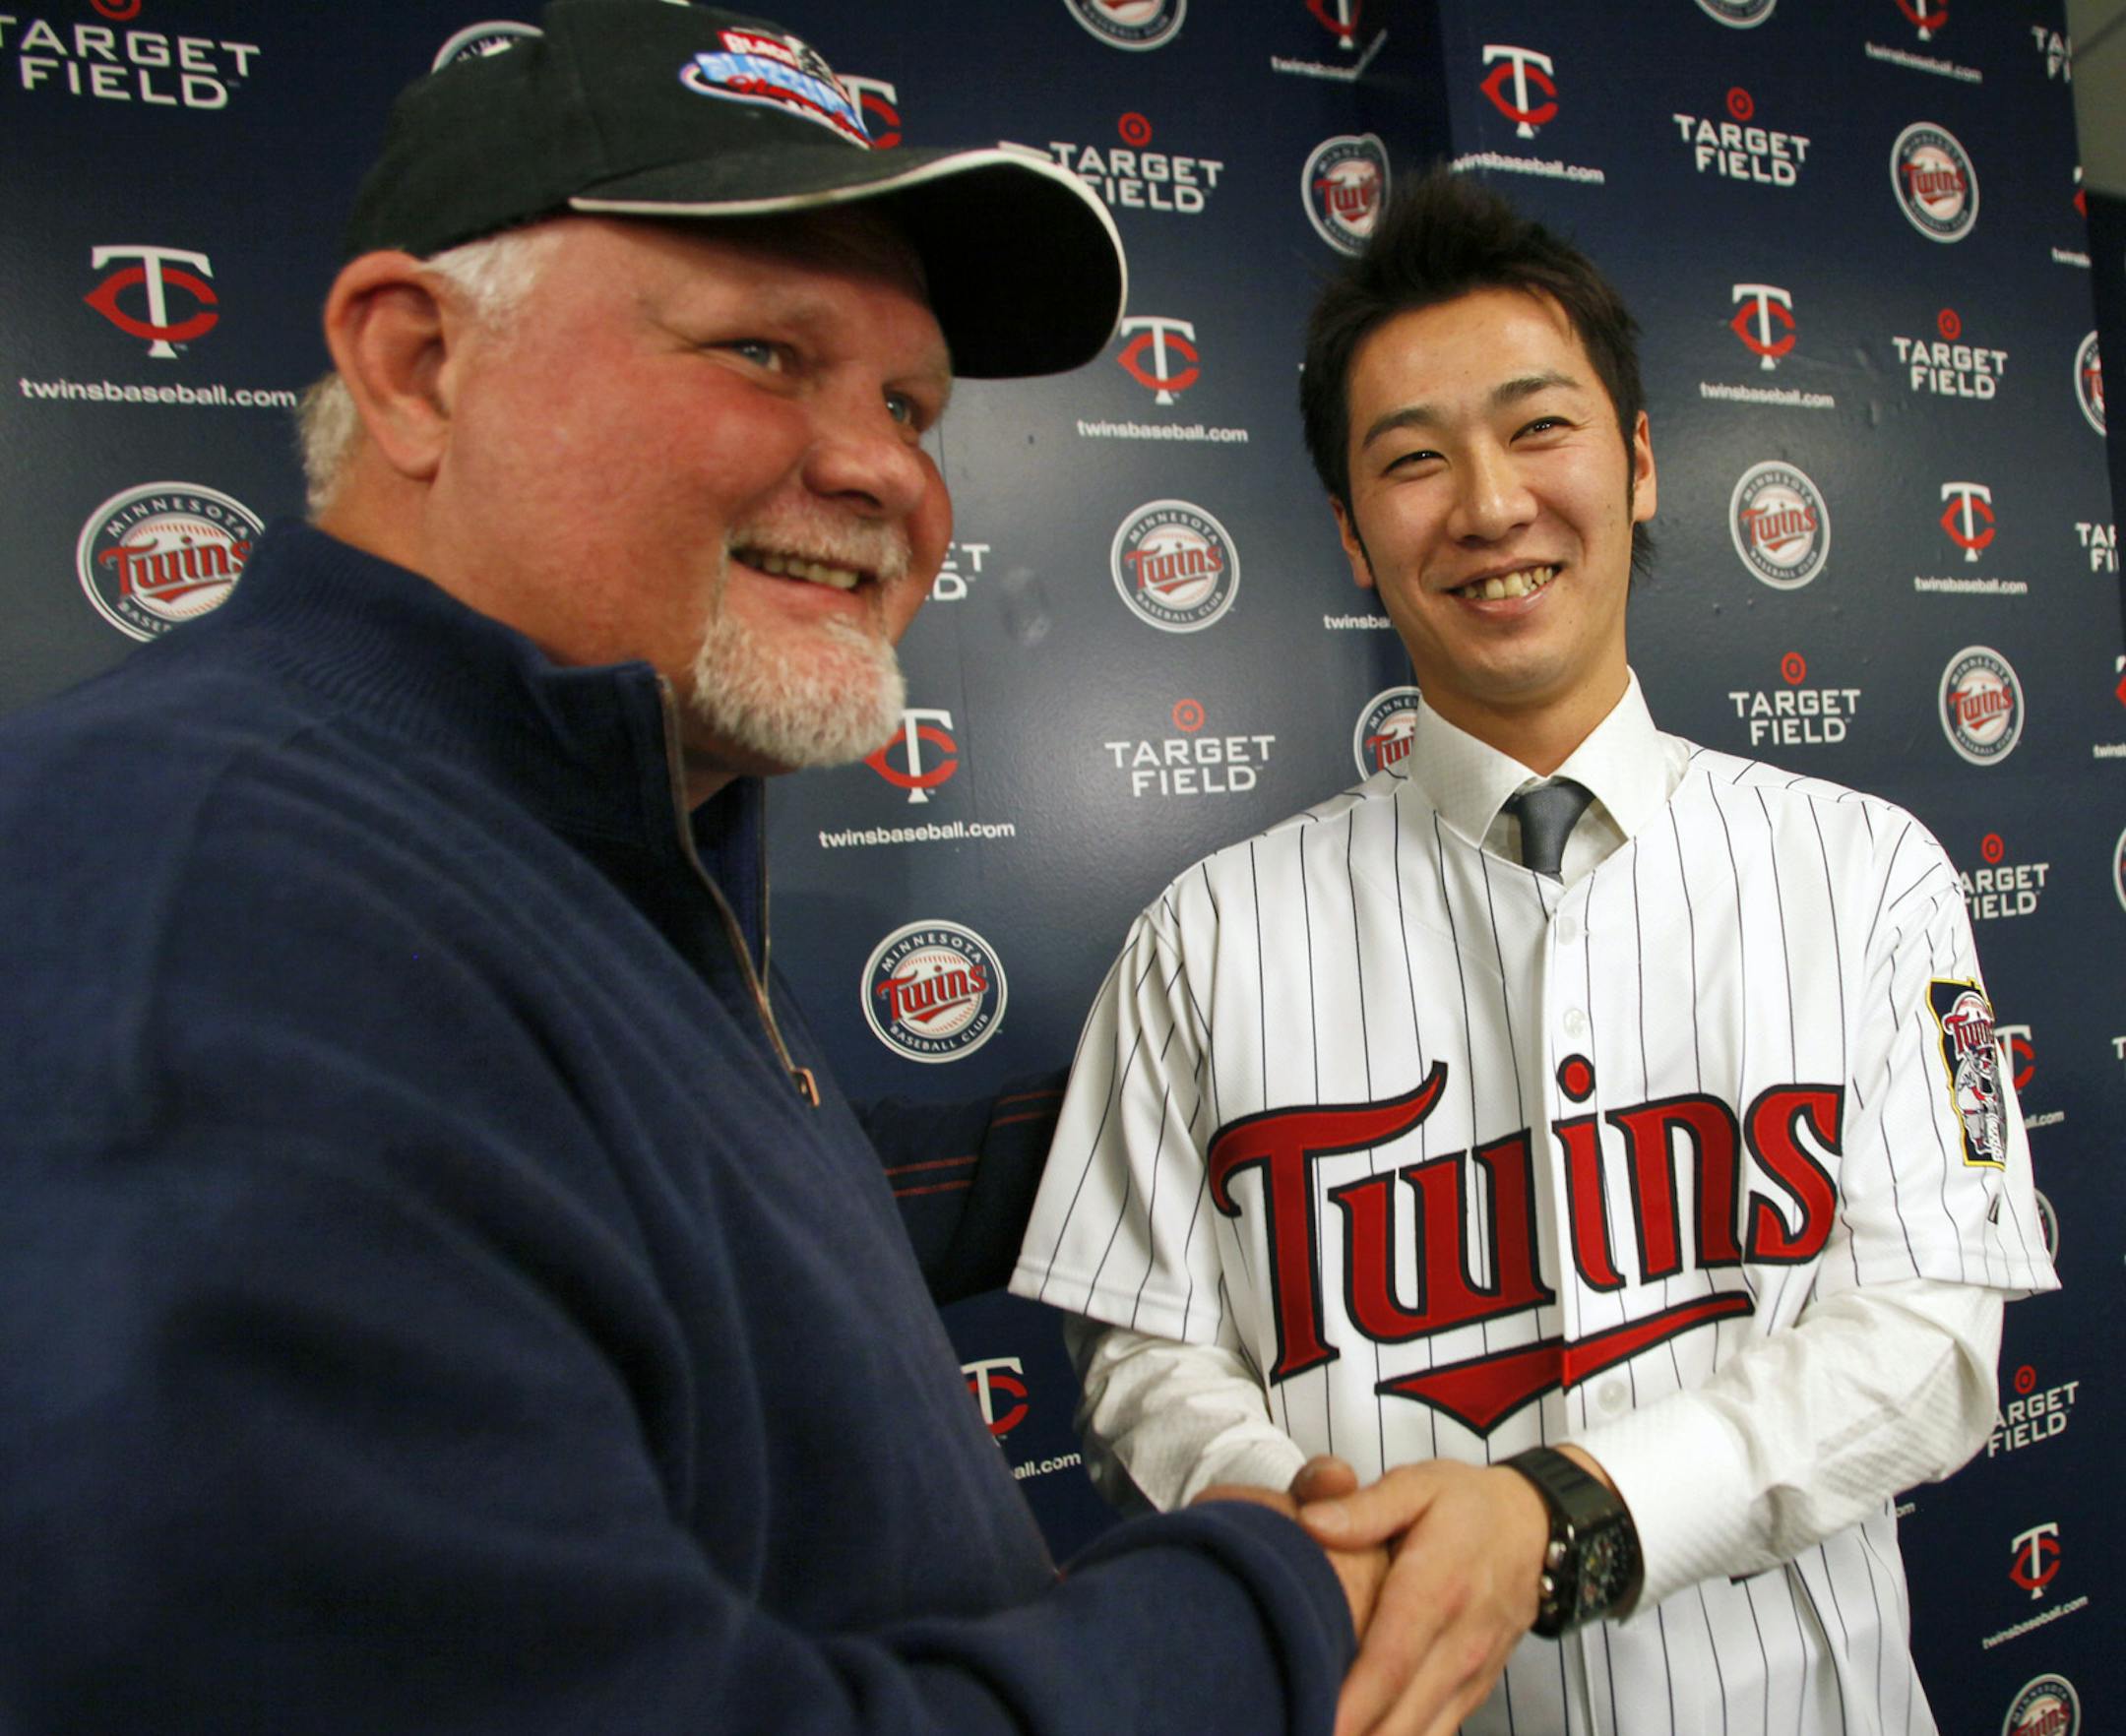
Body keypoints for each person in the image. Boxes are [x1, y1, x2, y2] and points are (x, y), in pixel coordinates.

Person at [0, 6, 1400, 1731]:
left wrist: (1184, 1114)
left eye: (909, 398)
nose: (886, 464)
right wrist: (1287, 1607)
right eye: (761, 354)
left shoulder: (548, 822)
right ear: (416, 368)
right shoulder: (198, 915)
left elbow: (655, 1205)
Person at [1012, 170, 2057, 1736]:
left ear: (1638, 464)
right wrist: (1321, 1536)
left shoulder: (1868, 873)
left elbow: (1929, 1341)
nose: (1489, 505)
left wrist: (1563, 1519)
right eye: (1413, 462)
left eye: (1540, 428)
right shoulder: (1201, 938)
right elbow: (1147, 1361)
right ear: (1356, 538)